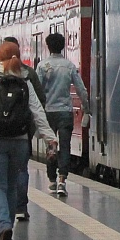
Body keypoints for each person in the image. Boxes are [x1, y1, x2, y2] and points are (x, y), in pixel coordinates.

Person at [0, 42, 53, 240]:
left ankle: (4, 226)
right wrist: (50, 139)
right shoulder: (24, 81)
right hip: (19, 141)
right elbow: (37, 111)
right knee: (12, 183)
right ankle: (10, 225)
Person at [36, 32, 90, 197]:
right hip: (65, 112)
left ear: (48, 46)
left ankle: (51, 180)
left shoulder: (42, 66)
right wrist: (86, 107)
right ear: (63, 46)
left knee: (51, 146)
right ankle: (62, 180)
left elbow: (37, 90)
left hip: (48, 112)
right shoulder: (69, 66)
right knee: (65, 146)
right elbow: (81, 89)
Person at [4, 36, 47, 221]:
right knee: (21, 168)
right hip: (23, 129)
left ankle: (2, 204)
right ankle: (20, 206)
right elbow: (40, 100)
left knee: (0, 169)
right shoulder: (28, 73)